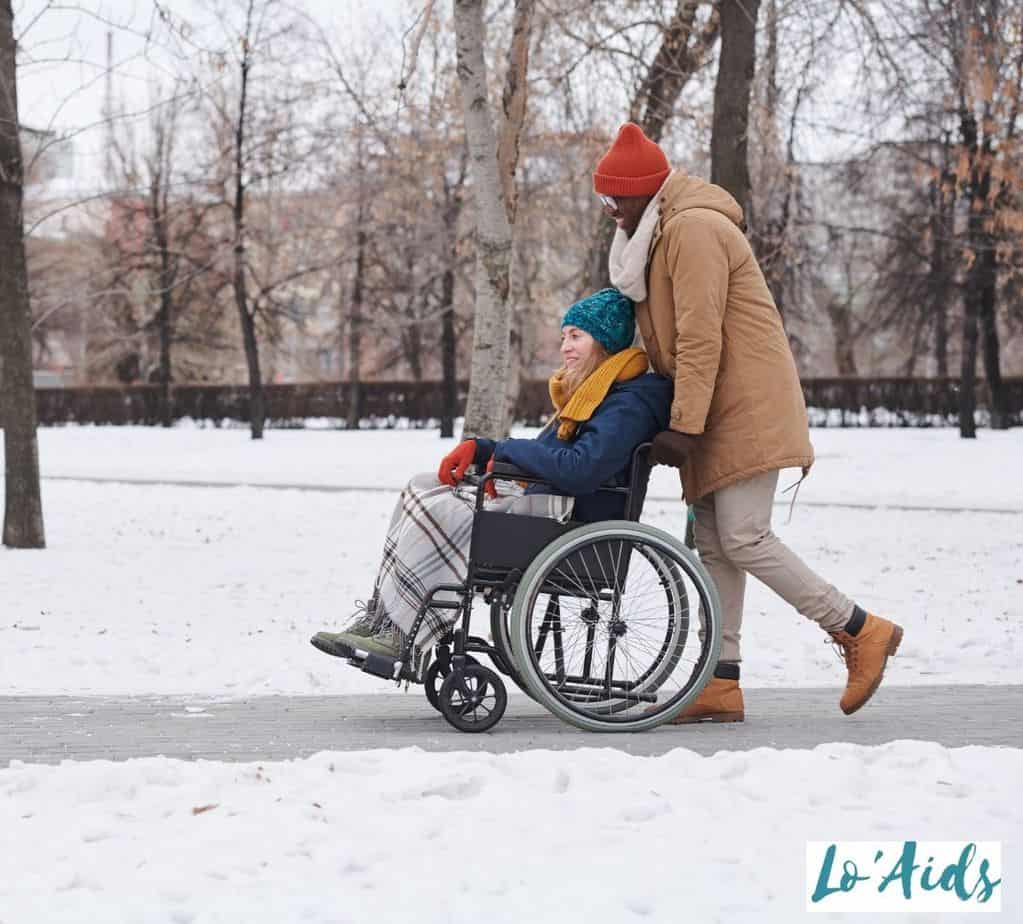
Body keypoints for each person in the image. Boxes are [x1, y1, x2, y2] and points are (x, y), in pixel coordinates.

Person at [591, 122, 904, 723]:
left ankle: (859, 629)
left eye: (615, 199)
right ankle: (719, 682)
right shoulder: (654, 235)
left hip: (742, 408)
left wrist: (682, 424)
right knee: (714, 546)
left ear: (642, 192)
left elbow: (700, 336)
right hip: (714, 409)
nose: (609, 210)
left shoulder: (692, 229)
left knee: (743, 536)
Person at [310, 288, 672, 669]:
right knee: (422, 486)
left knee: (444, 510)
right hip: (551, 504)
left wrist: (507, 452)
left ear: (605, 343)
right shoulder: (596, 393)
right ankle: (381, 618)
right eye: (564, 335)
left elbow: (579, 469)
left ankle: (403, 634)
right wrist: (484, 450)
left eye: (576, 336)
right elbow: (550, 454)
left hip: (573, 519)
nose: (565, 346)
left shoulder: (627, 404)